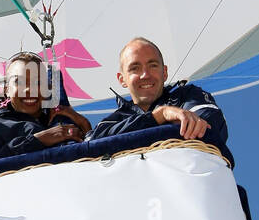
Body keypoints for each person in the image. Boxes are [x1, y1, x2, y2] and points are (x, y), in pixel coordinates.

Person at [88, 38, 229, 145]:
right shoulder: (111, 121)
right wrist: (159, 116)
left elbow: (208, 127)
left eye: (153, 65)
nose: (145, 75)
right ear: (122, 79)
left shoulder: (188, 96)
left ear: (165, 72)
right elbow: (89, 146)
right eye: (135, 68)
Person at [0, 52, 91, 159]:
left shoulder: (60, 119)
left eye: (38, 82)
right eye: (19, 82)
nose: (29, 89)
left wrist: (83, 123)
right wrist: (39, 139)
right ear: (7, 90)